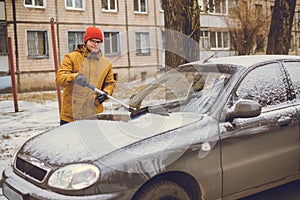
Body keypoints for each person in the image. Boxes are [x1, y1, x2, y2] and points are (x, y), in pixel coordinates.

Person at [56, 26, 116, 125]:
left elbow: (110, 83)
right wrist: (75, 77)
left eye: (98, 42)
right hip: (71, 115)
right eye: (92, 41)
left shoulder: (106, 64)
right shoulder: (71, 58)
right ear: (86, 41)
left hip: (94, 114)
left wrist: (106, 92)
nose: (95, 44)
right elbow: (60, 78)